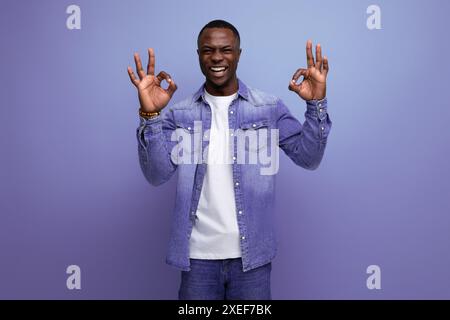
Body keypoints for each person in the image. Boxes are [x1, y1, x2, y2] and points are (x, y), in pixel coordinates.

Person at [127, 19, 332, 300]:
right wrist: (150, 116)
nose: (217, 57)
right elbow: (156, 174)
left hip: (252, 260)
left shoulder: (267, 109)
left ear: (238, 54)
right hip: (197, 259)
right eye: (208, 50)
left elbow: (309, 158)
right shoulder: (180, 115)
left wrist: (316, 104)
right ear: (199, 55)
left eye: (226, 49)